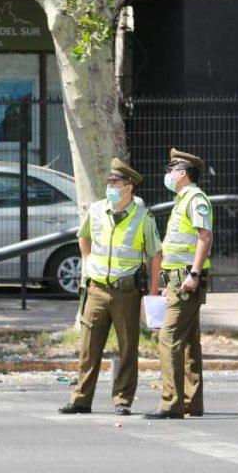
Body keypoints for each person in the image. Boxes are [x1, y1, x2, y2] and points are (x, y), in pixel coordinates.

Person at [59, 158, 162, 416]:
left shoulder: (143, 217)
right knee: (88, 347)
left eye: (115, 182)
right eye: (109, 181)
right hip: (96, 289)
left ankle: (122, 400)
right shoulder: (96, 210)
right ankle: (81, 400)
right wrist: (87, 262)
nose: (110, 186)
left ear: (129, 187)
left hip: (126, 291)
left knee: (128, 347)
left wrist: (152, 293)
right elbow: (83, 236)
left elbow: (155, 255)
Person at [145, 149, 213, 419]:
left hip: (186, 280)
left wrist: (193, 274)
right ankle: (191, 403)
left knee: (169, 337)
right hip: (178, 280)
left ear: (182, 173)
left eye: (171, 169)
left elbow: (205, 237)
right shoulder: (182, 200)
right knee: (189, 342)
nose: (168, 174)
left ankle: (171, 403)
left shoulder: (195, 199)